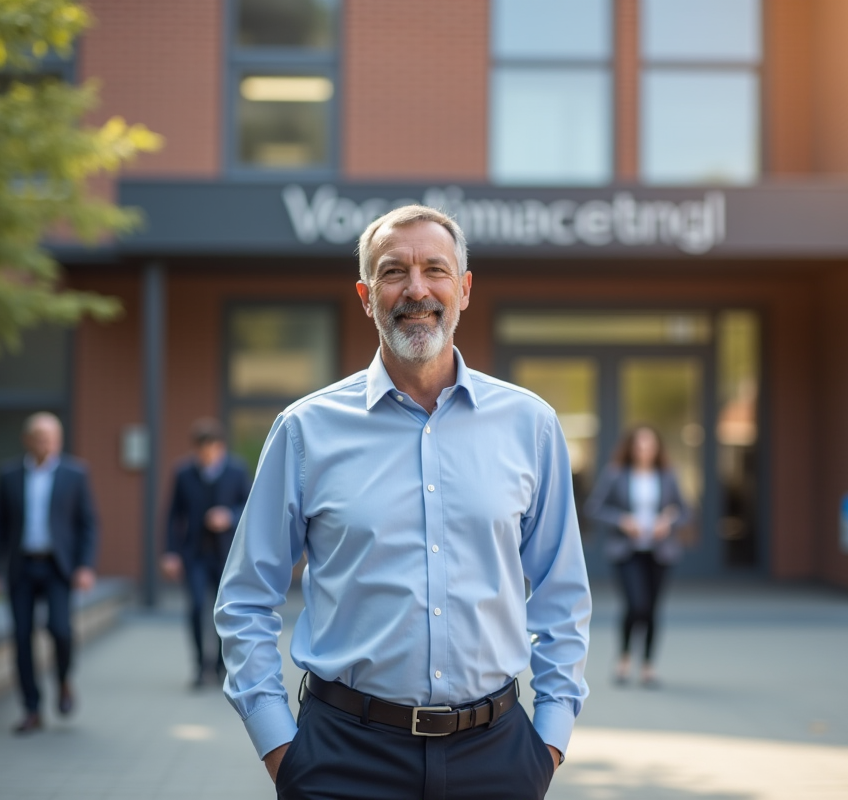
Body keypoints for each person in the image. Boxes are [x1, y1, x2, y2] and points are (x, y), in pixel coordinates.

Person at [215, 205, 591, 800]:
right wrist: (281, 751)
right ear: (366, 296)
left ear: (464, 289)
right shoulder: (305, 430)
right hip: (342, 759)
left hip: (498, 758)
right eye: (394, 272)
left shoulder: (531, 425)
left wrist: (548, 740)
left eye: (435, 270)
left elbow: (561, 593)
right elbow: (244, 597)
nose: (417, 290)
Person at [0, 412, 99, 735]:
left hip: (57, 567)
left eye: (51, 437)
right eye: (39, 436)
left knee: (60, 630)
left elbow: (89, 523)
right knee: (21, 638)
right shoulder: (8, 475)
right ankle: (32, 709)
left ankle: (63, 680)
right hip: (21, 566)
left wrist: (85, 566)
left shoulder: (75, 474)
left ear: (59, 441)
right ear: (27, 440)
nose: (45, 442)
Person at [583, 425, 688, 688]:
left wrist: (669, 521)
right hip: (626, 551)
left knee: (652, 609)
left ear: (657, 448)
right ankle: (625, 656)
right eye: (639, 445)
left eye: (649, 445)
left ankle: (648, 666)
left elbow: (686, 511)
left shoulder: (667, 476)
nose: (644, 450)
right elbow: (594, 508)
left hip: (660, 551)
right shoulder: (616, 474)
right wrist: (621, 520)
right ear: (631, 448)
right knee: (636, 605)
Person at [160, 418, 251, 688]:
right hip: (195, 554)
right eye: (202, 451)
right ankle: (201, 666)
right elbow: (172, 514)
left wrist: (229, 516)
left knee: (225, 611)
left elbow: (249, 506)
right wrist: (170, 552)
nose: (207, 456)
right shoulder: (183, 473)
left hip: (228, 556)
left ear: (221, 448)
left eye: (212, 450)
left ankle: (223, 668)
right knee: (197, 607)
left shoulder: (237, 470)